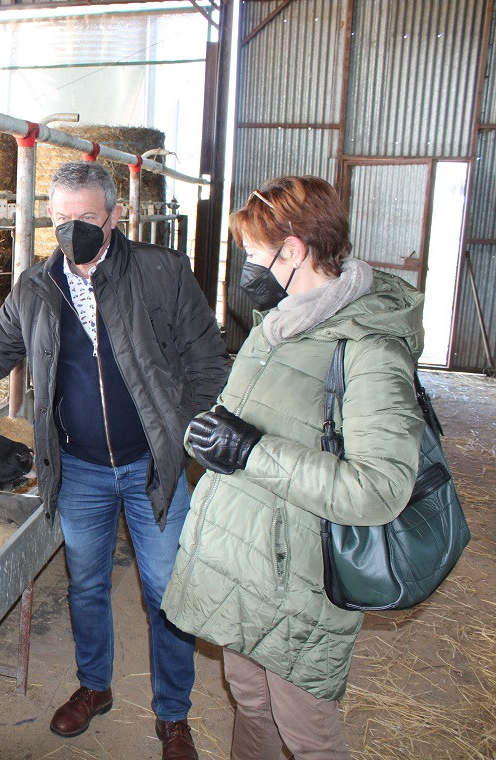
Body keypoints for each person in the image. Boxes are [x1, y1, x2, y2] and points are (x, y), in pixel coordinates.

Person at [0, 161, 229, 759]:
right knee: (86, 583)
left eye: (87, 218)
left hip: (151, 466)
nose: (73, 230)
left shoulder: (161, 274)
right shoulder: (36, 288)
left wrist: (179, 436)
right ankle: (94, 687)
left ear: (116, 216)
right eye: (62, 220)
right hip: (80, 466)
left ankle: (173, 716)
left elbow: (207, 361)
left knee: (166, 591)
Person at [161, 175, 426, 759]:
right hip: (246, 562)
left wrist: (251, 452)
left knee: (307, 732)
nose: (247, 264)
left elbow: (380, 490)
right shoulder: (281, 322)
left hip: (300, 578)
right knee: (250, 701)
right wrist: (214, 435)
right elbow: (258, 416)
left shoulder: (368, 348)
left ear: (294, 250)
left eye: (254, 252)